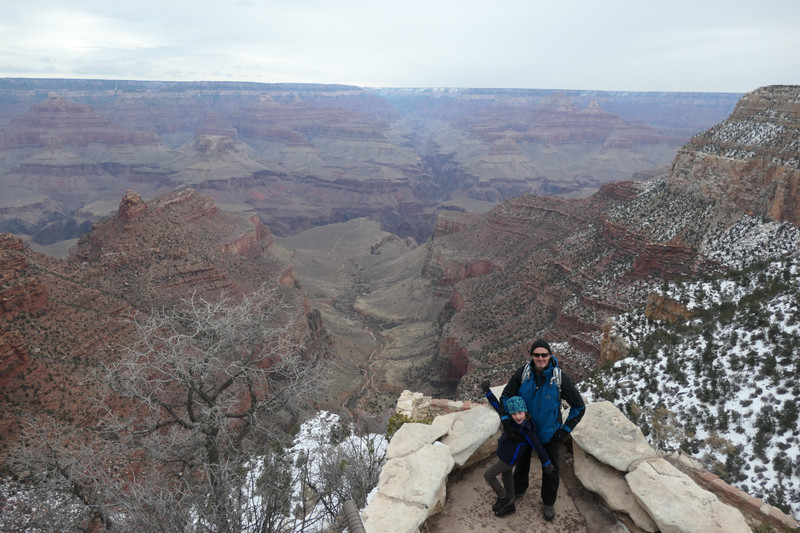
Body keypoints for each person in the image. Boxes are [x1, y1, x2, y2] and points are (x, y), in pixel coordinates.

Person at [500, 339, 585, 522]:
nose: (540, 358)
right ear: (532, 356)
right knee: (521, 463)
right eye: (537, 354)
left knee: (550, 470)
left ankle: (548, 502)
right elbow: (506, 397)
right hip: (524, 431)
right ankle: (519, 489)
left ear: (550, 356)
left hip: (549, 434)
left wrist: (564, 431)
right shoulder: (523, 373)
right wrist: (507, 422)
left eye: (544, 354)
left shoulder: (559, 378)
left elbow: (579, 407)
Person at [480, 386, 554, 517]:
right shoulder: (510, 420)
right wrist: (488, 393)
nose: (518, 416)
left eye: (520, 413)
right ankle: (511, 503)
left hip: (510, 459)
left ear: (525, 412)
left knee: (488, 475)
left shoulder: (527, 429)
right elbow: (499, 407)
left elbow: (538, 446)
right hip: (504, 455)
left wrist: (546, 462)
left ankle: (504, 498)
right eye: (514, 414)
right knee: (506, 475)